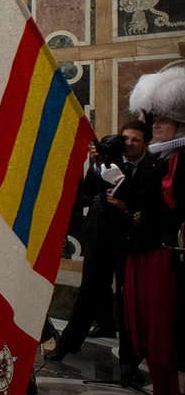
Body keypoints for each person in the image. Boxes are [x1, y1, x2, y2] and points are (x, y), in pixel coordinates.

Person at [47, 122, 155, 362]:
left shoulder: (152, 165)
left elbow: (150, 201)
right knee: (88, 292)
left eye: (135, 140)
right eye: (125, 138)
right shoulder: (109, 159)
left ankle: (130, 360)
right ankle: (67, 345)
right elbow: (87, 190)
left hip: (131, 239)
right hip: (100, 234)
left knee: (128, 300)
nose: (128, 143)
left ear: (145, 143)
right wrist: (98, 165)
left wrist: (127, 203)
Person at [124, 66, 185, 394]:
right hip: (148, 251)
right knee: (151, 336)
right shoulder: (160, 159)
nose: (156, 124)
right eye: (155, 117)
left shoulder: (179, 159)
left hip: (167, 257)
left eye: (165, 118)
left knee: (167, 338)